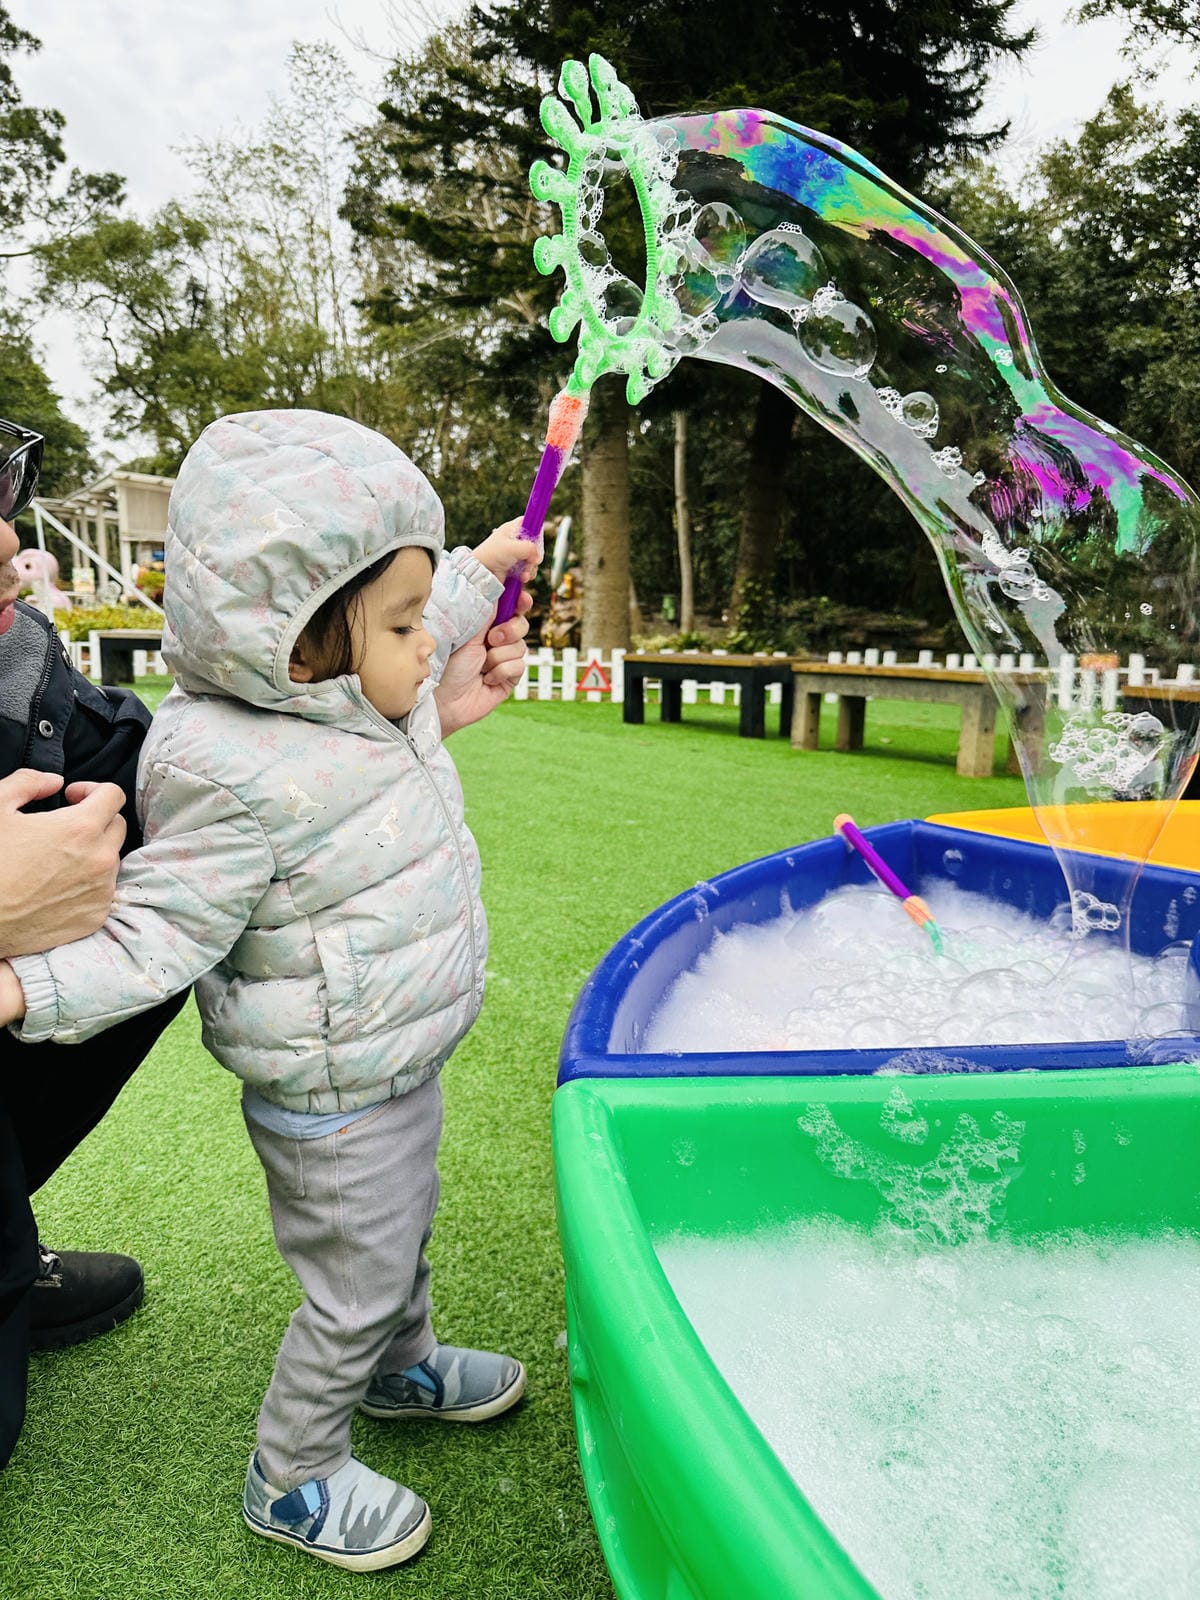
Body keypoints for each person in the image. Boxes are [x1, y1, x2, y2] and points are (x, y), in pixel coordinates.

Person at [0, 409, 539, 1571]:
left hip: (395, 1051)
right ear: (294, 644)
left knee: (399, 1242)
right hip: (331, 1089)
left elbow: (436, 603)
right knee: (351, 1282)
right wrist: (16, 989)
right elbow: (149, 935)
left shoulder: (358, 685)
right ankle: (291, 1473)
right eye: (399, 626)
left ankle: (404, 1366)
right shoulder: (225, 768)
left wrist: (483, 569)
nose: (426, 640)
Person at [0, 416, 189, 1469]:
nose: (5, 537)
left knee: (164, 886)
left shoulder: (17, 654)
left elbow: (160, 765)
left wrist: (384, 699)